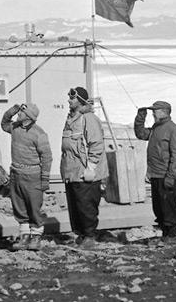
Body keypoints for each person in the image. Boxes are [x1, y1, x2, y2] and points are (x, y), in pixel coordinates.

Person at [60, 85, 107, 249]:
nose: (69, 100)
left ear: (79, 100)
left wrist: (92, 167)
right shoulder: (71, 119)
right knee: (76, 205)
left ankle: (89, 236)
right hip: (73, 171)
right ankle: (81, 234)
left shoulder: (89, 118)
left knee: (86, 205)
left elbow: (96, 144)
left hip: (85, 171)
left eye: (72, 98)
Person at [0, 103, 52, 250]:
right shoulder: (15, 128)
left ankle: (35, 237)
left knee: (34, 207)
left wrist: (45, 180)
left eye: (21, 112)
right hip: (16, 174)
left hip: (33, 177)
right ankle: (24, 237)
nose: (19, 114)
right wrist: (12, 110)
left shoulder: (39, 133)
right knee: (19, 206)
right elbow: (4, 124)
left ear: (28, 116)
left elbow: (47, 157)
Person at [134, 100, 176, 247]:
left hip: (166, 176)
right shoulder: (157, 128)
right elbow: (141, 134)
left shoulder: (173, 130)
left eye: (155, 111)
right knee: (159, 208)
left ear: (164, 111)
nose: (153, 113)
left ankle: (173, 237)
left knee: (169, 207)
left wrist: (171, 177)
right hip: (156, 175)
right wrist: (140, 118)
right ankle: (165, 236)